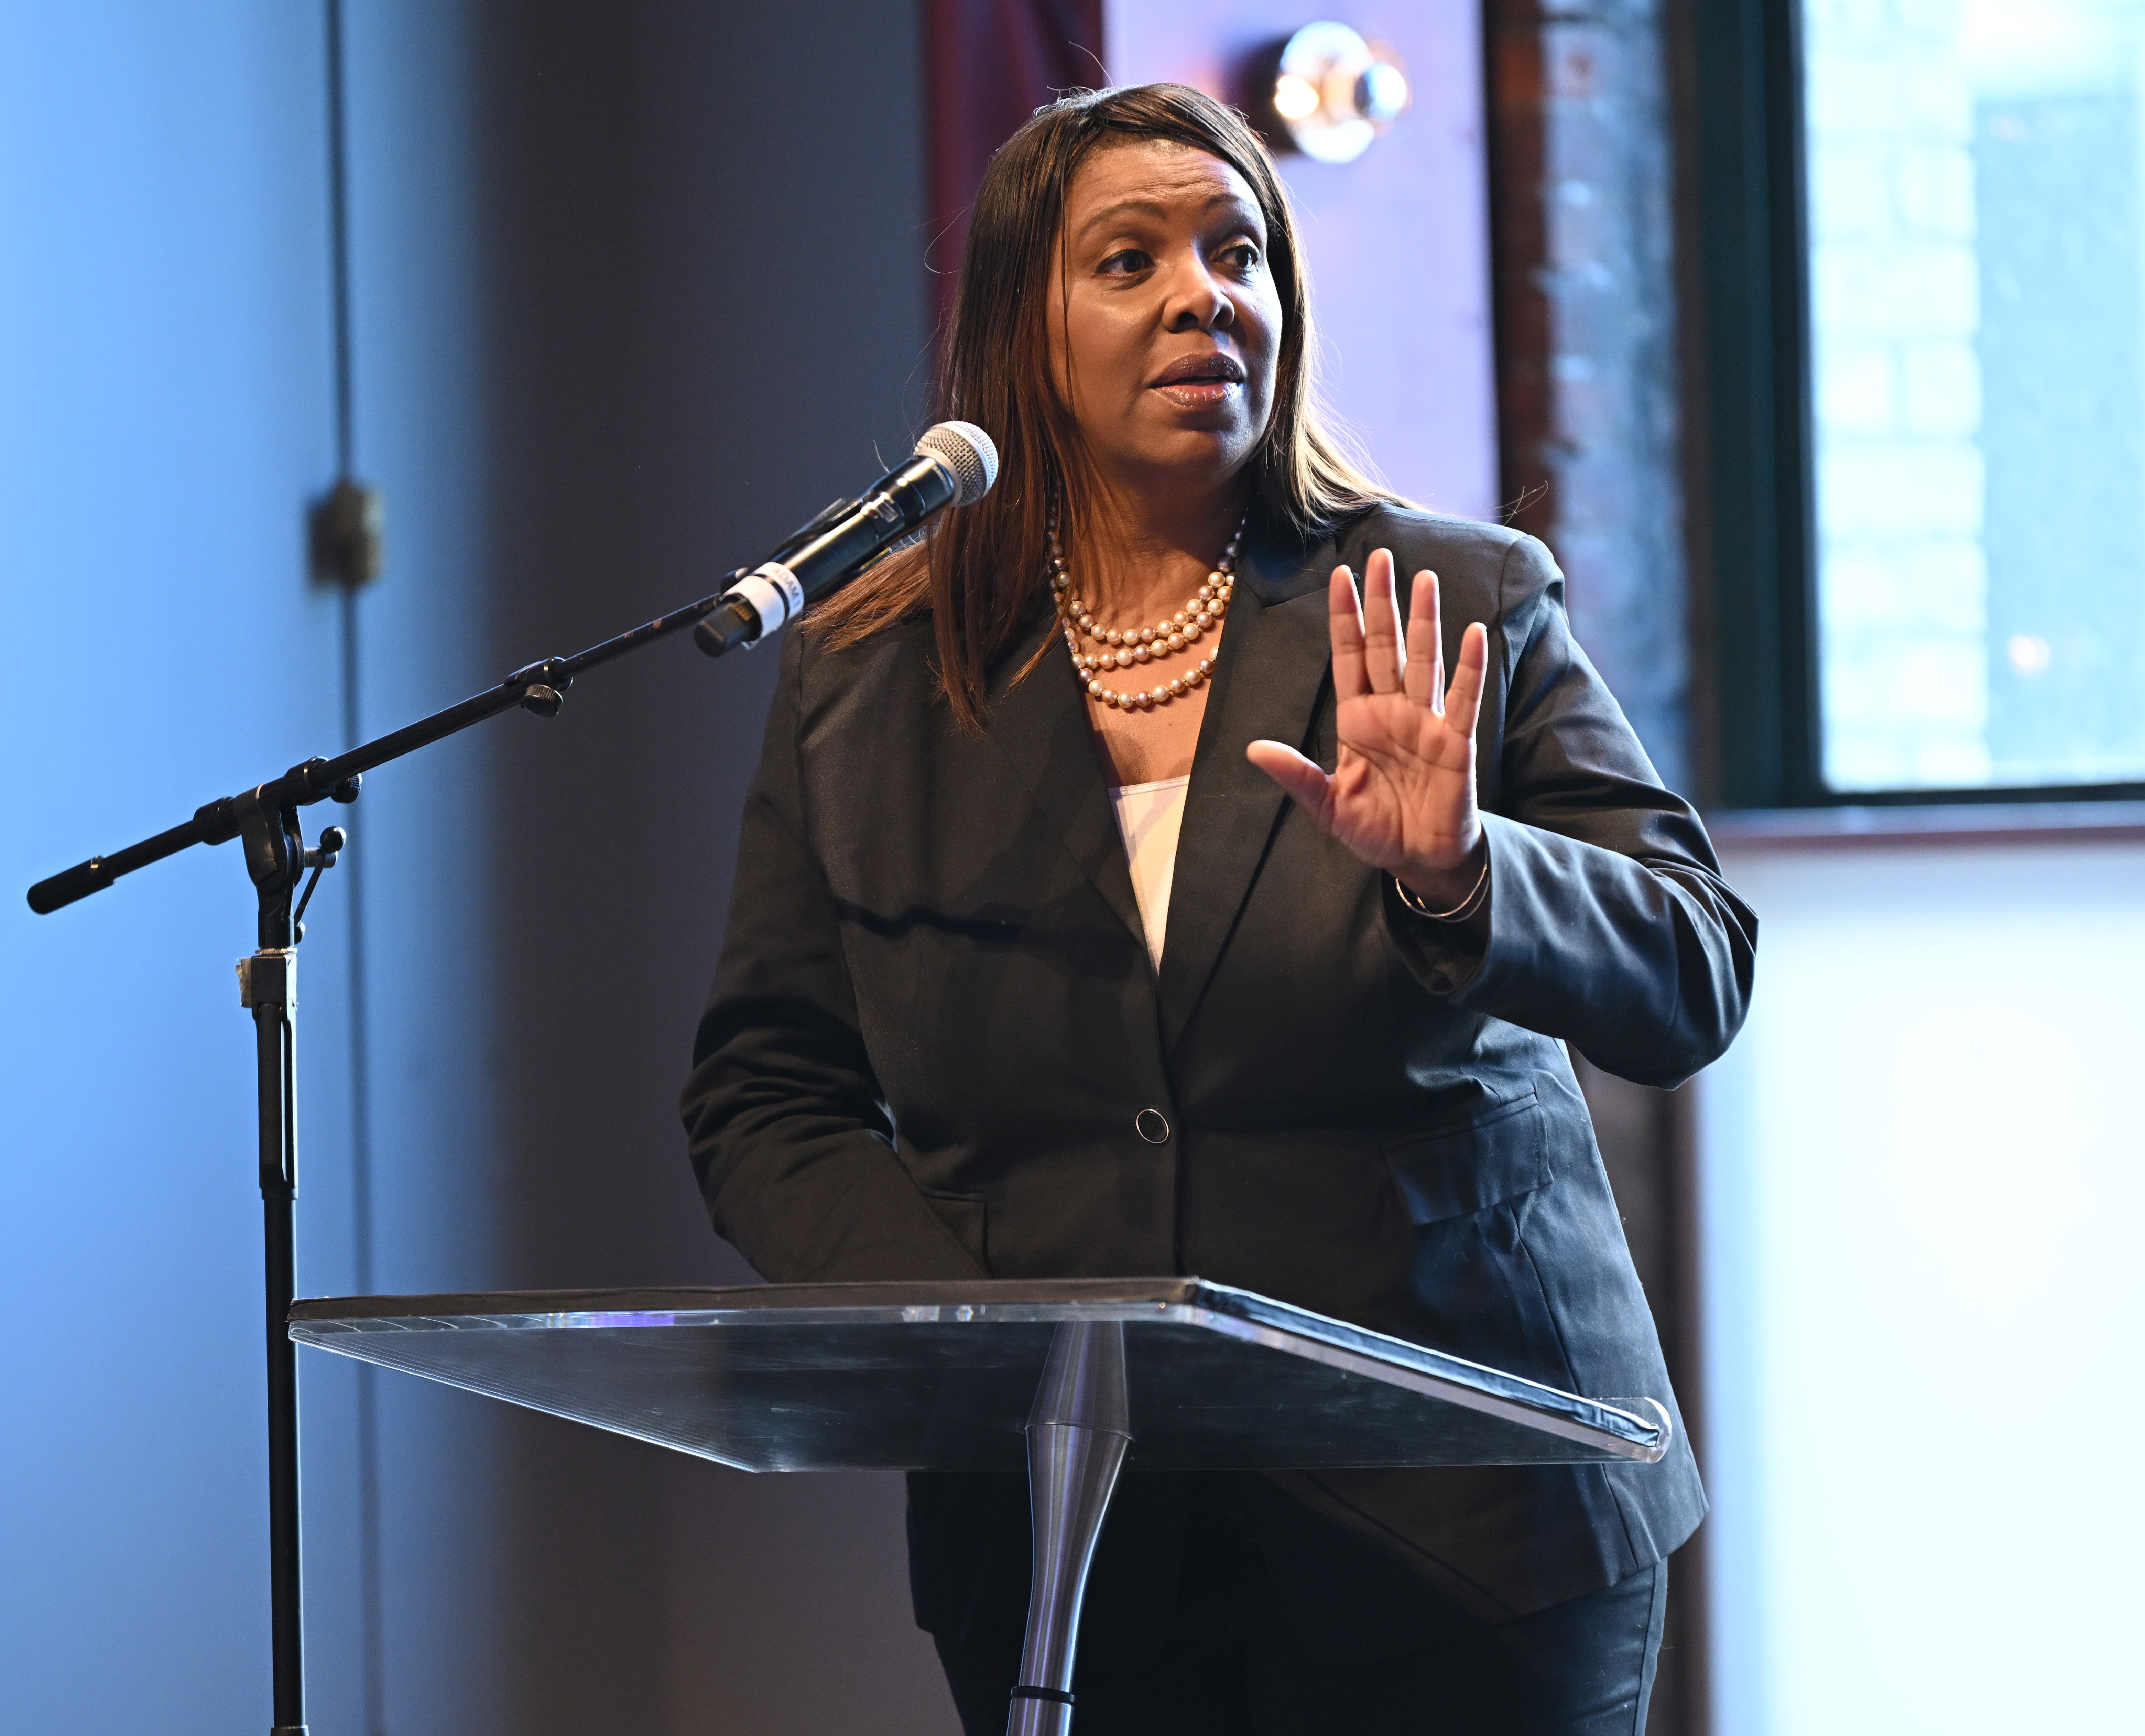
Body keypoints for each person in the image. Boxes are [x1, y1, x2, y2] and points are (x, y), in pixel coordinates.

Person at [683, 83, 1755, 1736]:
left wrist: (1469, 868)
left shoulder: (1451, 600)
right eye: (1133, 258)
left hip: (1470, 1532)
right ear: (1021, 336)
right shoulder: (865, 671)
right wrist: (975, 1338)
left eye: (1237, 248)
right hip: (1071, 1545)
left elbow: (1693, 965)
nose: (1206, 292)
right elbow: (769, 1090)